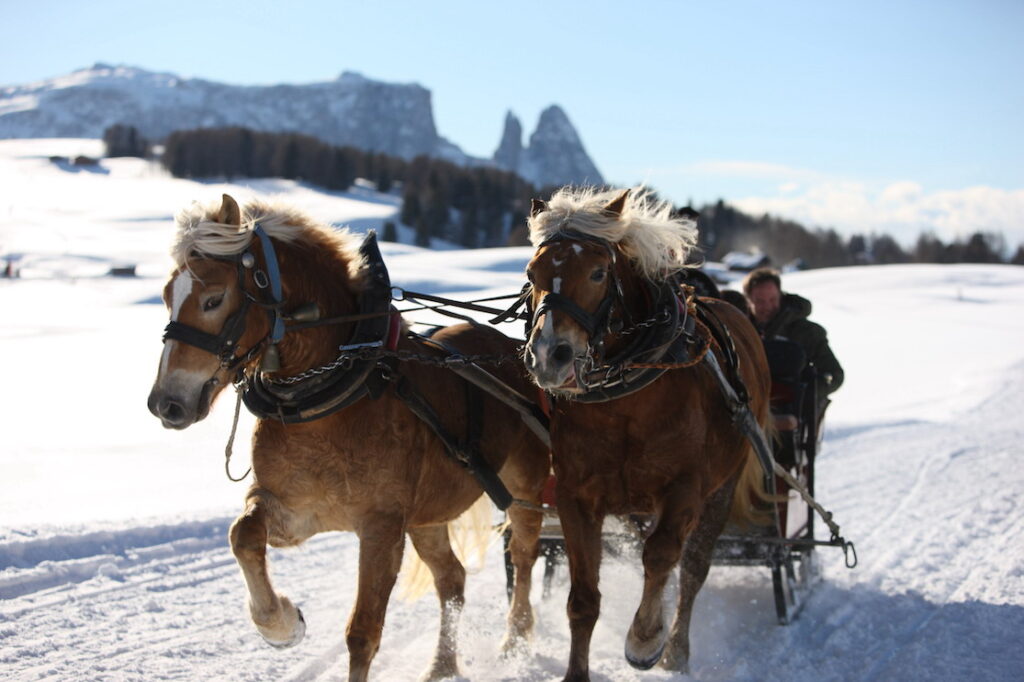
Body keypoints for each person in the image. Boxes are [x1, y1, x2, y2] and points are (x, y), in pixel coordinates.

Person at [742, 267, 843, 419]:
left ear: (781, 297)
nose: (767, 306)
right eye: (760, 301)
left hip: (790, 415)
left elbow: (834, 374)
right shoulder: (738, 331)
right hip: (745, 410)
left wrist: (804, 392)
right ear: (748, 301)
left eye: (772, 300)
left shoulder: (807, 332)